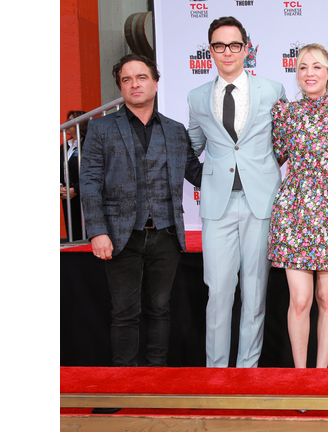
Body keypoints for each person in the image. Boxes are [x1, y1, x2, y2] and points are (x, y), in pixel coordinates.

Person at [80, 54, 203, 368]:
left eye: (142, 77)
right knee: (124, 314)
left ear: (156, 83)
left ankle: (156, 381)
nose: (135, 84)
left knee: (160, 310)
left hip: (166, 235)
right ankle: (125, 383)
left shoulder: (175, 131)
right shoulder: (101, 128)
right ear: (121, 87)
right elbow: (90, 182)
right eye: (127, 79)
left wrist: (241, 163)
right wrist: (97, 231)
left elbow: (197, 173)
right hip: (121, 237)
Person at [187, 16, 287, 368]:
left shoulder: (273, 90)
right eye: (218, 45)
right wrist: (207, 179)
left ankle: (247, 372)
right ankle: (216, 373)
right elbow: (191, 147)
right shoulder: (197, 96)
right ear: (210, 50)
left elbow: (285, 143)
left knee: (255, 292)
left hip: (261, 202)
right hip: (218, 206)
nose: (226, 52)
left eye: (234, 45)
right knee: (218, 292)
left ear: (246, 48)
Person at [268, 43, 328, 368]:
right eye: (303, 67)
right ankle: (300, 377)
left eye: (317, 67)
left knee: (327, 298)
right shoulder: (284, 114)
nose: (310, 73)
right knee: (300, 299)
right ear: (296, 74)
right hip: (294, 210)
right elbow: (273, 157)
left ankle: (320, 376)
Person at [61, 110, 88, 241]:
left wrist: (76, 189)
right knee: (74, 234)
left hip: (83, 194)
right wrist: (60, 187)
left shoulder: (88, 144)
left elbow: (92, 171)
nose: (66, 124)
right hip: (67, 196)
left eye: (70, 120)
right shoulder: (64, 146)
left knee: (86, 232)